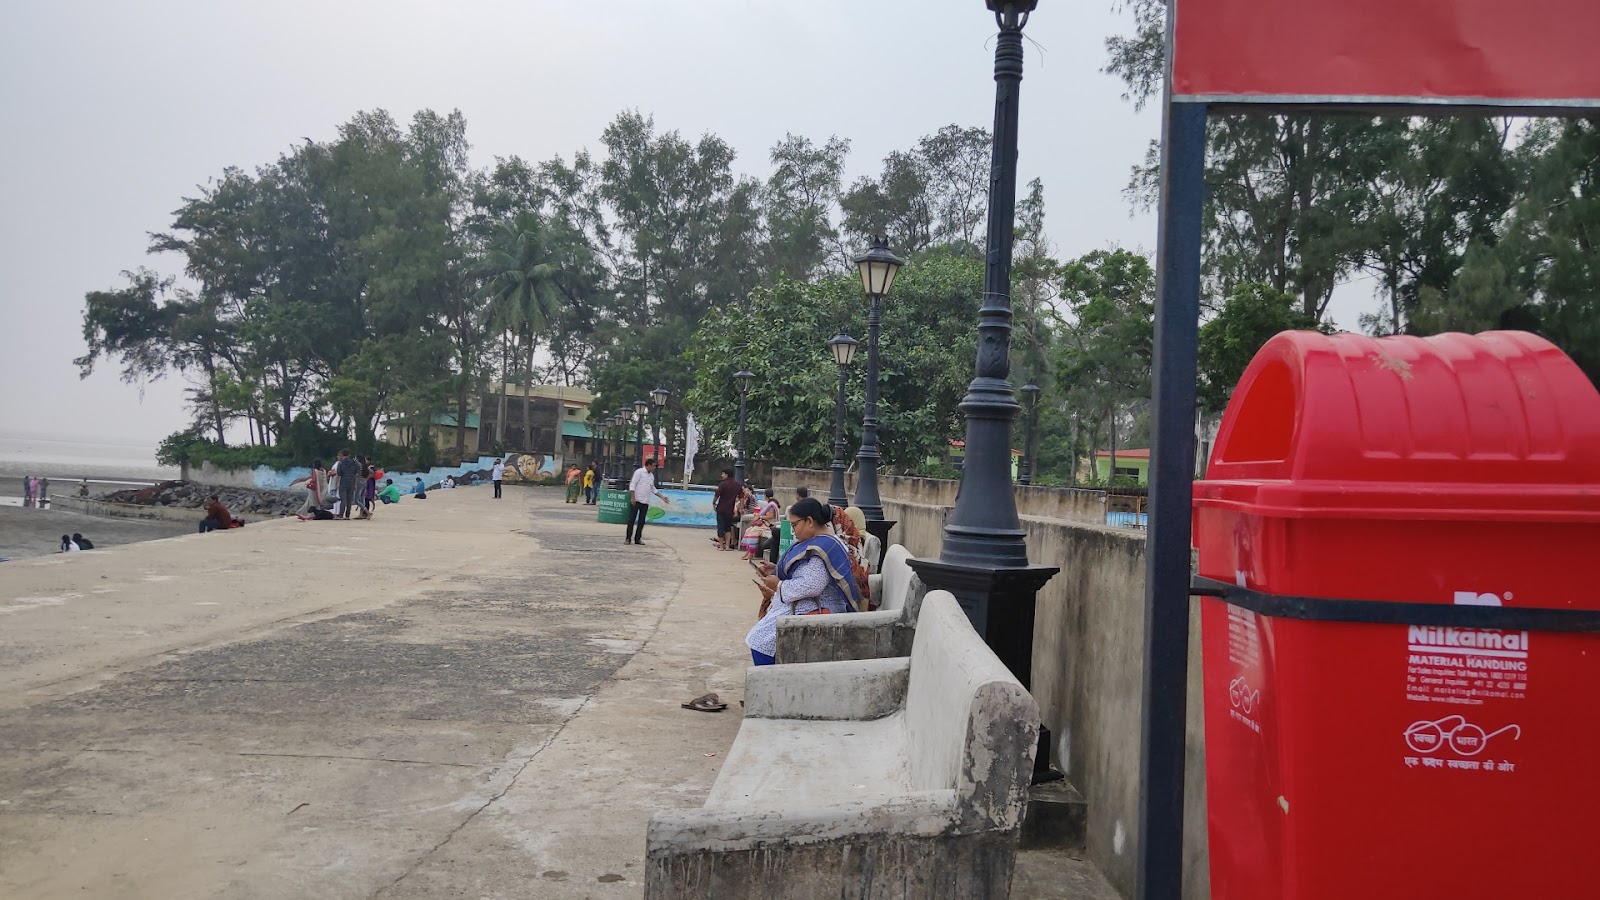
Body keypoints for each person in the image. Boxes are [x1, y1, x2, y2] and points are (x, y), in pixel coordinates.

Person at [745, 497, 863, 666]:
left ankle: (775, 678)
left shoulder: (824, 548)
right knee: (760, 637)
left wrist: (778, 585)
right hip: (806, 604)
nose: (793, 531)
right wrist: (775, 570)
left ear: (809, 521)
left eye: (794, 525)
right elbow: (805, 575)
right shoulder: (819, 542)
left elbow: (812, 585)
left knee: (761, 640)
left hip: (818, 608)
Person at [624, 457, 670, 545]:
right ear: (648, 465)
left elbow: (653, 488)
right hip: (636, 500)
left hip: (645, 501)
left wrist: (662, 497)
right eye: (653, 466)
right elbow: (633, 484)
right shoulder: (639, 472)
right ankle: (628, 538)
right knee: (631, 519)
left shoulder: (651, 476)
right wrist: (633, 497)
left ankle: (638, 538)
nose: (654, 468)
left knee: (641, 521)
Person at [741, 489, 781, 561]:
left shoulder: (771, 505)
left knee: (753, 532)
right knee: (748, 530)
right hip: (765, 523)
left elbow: (771, 516)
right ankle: (748, 552)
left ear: (765, 496)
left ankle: (751, 554)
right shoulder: (771, 504)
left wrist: (761, 517)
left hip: (769, 525)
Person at [711, 468, 744, 551]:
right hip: (730, 510)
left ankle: (721, 546)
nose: (722, 475)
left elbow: (717, 494)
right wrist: (741, 507)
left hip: (721, 509)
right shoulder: (738, 485)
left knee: (720, 527)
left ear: (726, 474)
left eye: (723, 474)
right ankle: (727, 546)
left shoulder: (722, 484)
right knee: (728, 528)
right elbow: (741, 497)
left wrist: (714, 503)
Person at [333, 450, 360, 520]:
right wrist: (356, 484)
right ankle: (347, 515)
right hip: (351, 483)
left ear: (343, 455)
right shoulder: (354, 463)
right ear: (349, 455)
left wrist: (336, 484)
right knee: (349, 500)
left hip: (343, 483)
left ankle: (341, 515)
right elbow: (357, 473)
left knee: (343, 500)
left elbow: (339, 474)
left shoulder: (341, 463)